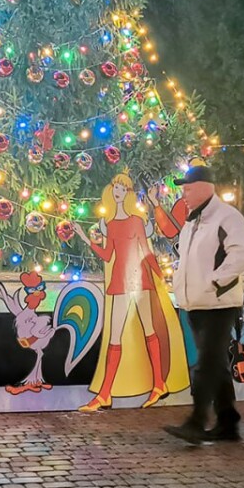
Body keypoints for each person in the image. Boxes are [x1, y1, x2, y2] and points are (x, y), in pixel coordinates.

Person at [71, 172, 189, 411]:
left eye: (123, 189)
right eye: (116, 187)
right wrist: (85, 238)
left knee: (149, 330)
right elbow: (107, 255)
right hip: (120, 283)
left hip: (140, 281)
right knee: (115, 337)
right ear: (111, 191)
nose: (118, 191)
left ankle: (157, 385)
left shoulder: (136, 221)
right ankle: (106, 394)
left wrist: (160, 279)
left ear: (128, 194)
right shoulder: (110, 225)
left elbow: (146, 251)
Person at [163, 165, 244, 445]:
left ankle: (196, 421)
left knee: (207, 364)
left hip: (218, 305)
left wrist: (215, 284)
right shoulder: (193, 222)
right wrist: (182, 289)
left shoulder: (227, 217)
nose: (184, 194)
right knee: (215, 365)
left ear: (205, 187)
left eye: (188, 189)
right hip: (196, 305)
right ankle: (227, 422)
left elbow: (241, 255)